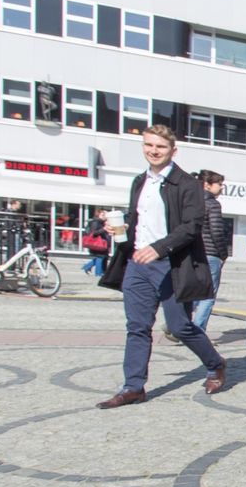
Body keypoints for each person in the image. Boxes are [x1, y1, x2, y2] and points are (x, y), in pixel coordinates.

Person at [96, 125, 225, 408]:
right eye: (149, 145)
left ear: (173, 150)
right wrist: (120, 228)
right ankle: (133, 387)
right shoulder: (139, 182)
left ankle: (215, 363)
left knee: (179, 326)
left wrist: (159, 248)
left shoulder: (187, 185)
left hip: (170, 264)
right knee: (137, 327)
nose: (154, 151)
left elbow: (192, 227)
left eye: (161, 147)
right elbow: (138, 218)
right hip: (137, 264)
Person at [191, 170, 228, 333]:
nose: (221, 188)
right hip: (210, 253)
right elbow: (216, 231)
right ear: (207, 185)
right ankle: (197, 331)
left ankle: (177, 323)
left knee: (193, 290)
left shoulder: (192, 202)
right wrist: (223, 254)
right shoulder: (212, 204)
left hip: (193, 253)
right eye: (219, 184)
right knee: (208, 294)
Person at [81, 211, 110, 277]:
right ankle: (98, 273)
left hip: (102, 242)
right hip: (97, 243)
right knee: (100, 257)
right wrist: (104, 229)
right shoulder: (96, 222)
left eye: (105, 215)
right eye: (103, 214)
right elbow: (94, 233)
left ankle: (87, 267)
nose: (105, 216)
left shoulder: (101, 222)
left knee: (101, 257)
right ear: (98, 215)